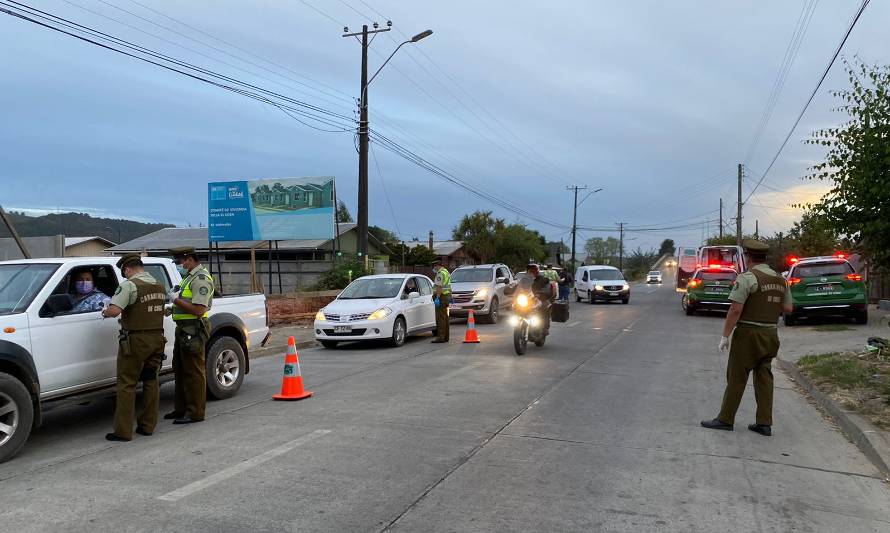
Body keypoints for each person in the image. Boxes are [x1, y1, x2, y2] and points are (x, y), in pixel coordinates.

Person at [701, 239, 793, 437]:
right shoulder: (780, 279)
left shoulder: (748, 278)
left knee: (737, 376)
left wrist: (725, 336)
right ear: (765, 257)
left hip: (748, 334)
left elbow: (735, 309)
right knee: (764, 377)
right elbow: (788, 308)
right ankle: (764, 423)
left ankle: (725, 419)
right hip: (770, 333)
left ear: (748, 257)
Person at [101, 254, 167, 441]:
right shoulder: (159, 285)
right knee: (151, 381)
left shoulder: (129, 285)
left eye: (125, 272)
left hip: (135, 341)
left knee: (127, 384)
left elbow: (115, 311)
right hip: (157, 339)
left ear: (127, 269)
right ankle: (147, 426)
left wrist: (105, 311)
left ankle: (123, 431)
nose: (125, 275)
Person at [165, 247, 214, 424]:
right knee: (180, 369)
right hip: (184, 329)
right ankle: (181, 409)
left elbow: (199, 310)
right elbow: (188, 303)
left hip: (193, 329)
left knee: (194, 372)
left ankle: (195, 413)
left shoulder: (200, 279)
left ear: (189, 259)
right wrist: (173, 307)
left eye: (180, 262)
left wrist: (176, 300)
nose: (179, 265)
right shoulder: (189, 278)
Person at [430, 259, 451, 343]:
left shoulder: (440, 274)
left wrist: (437, 298)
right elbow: (449, 285)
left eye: (434, 267)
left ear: (437, 266)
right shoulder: (446, 272)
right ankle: (446, 337)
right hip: (446, 296)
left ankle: (440, 337)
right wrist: (450, 295)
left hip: (441, 297)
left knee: (440, 318)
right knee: (445, 317)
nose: (434, 269)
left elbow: (439, 287)